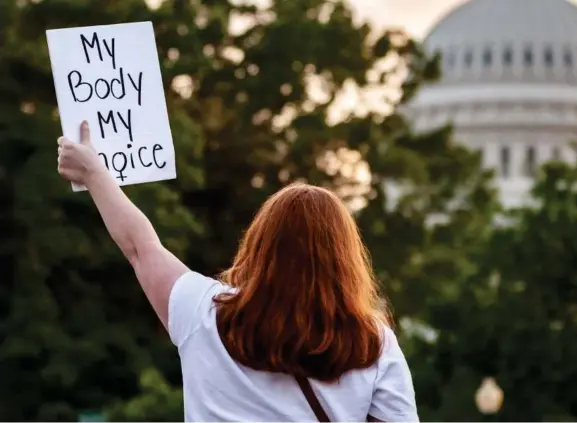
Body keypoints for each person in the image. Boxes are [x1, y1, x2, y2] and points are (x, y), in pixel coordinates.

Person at [56, 122, 418, 422]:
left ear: (259, 246)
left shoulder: (202, 311)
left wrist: (93, 173)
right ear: (346, 260)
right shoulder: (372, 342)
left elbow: (140, 247)